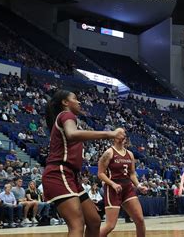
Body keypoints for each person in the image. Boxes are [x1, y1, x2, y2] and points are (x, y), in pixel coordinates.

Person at [42, 90, 125, 237]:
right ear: (65, 103)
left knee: (94, 220)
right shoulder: (66, 115)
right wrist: (109, 133)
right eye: (75, 99)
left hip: (71, 176)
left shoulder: (68, 119)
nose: (79, 102)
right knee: (77, 225)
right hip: (59, 173)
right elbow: (72, 135)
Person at [98, 137, 147, 237]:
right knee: (110, 225)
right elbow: (100, 174)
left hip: (127, 187)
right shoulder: (109, 153)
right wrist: (112, 184)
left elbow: (132, 174)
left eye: (123, 135)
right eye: (119, 135)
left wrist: (138, 185)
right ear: (114, 138)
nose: (122, 137)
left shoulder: (130, 154)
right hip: (113, 188)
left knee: (140, 220)